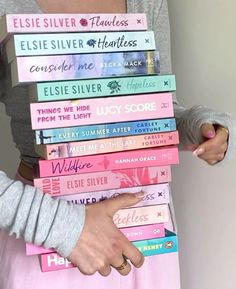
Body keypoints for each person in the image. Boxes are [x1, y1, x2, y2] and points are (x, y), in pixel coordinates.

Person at [0, 0, 235, 289]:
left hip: (145, 229)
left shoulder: (146, 3)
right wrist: (62, 227)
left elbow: (153, 109)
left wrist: (198, 126)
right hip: (44, 235)